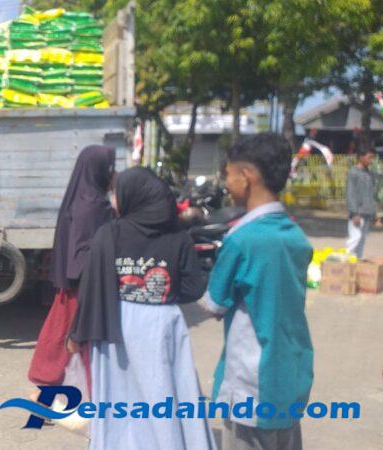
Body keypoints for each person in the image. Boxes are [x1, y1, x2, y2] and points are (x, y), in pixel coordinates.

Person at [68, 166, 214, 450]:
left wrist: (76, 334)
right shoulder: (179, 237)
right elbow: (194, 288)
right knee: (164, 392)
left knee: (120, 396)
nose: (114, 199)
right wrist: (163, 294)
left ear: (131, 196)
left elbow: (92, 287)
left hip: (116, 324)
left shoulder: (109, 234)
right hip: (163, 323)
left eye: (117, 193)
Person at [202, 134, 313, 450]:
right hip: (291, 374)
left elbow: (214, 304)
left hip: (252, 382)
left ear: (246, 176)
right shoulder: (296, 236)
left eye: (228, 175)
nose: (226, 183)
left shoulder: (240, 239)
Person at [27, 145, 115, 392]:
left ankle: (48, 392)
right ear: (97, 170)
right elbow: (83, 253)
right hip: (83, 287)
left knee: (58, 338)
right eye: (109, 168)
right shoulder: (93, 205)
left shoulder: (81, 197)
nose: (113, 173)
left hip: (74, 284)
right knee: (73, 340)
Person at [346, 147, 377, 258]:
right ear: (361, 157)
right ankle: (345, 260)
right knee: (355, 238)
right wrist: (354, 213)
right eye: (369, 157)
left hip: (367, 212)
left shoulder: (370, 174)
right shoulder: (353, 172)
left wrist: (374, 213)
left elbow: (371, 194)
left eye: (373, 158)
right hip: (357, 214)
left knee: (362, 240)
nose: (371, 161)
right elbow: (350, 194)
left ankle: (357, 262)